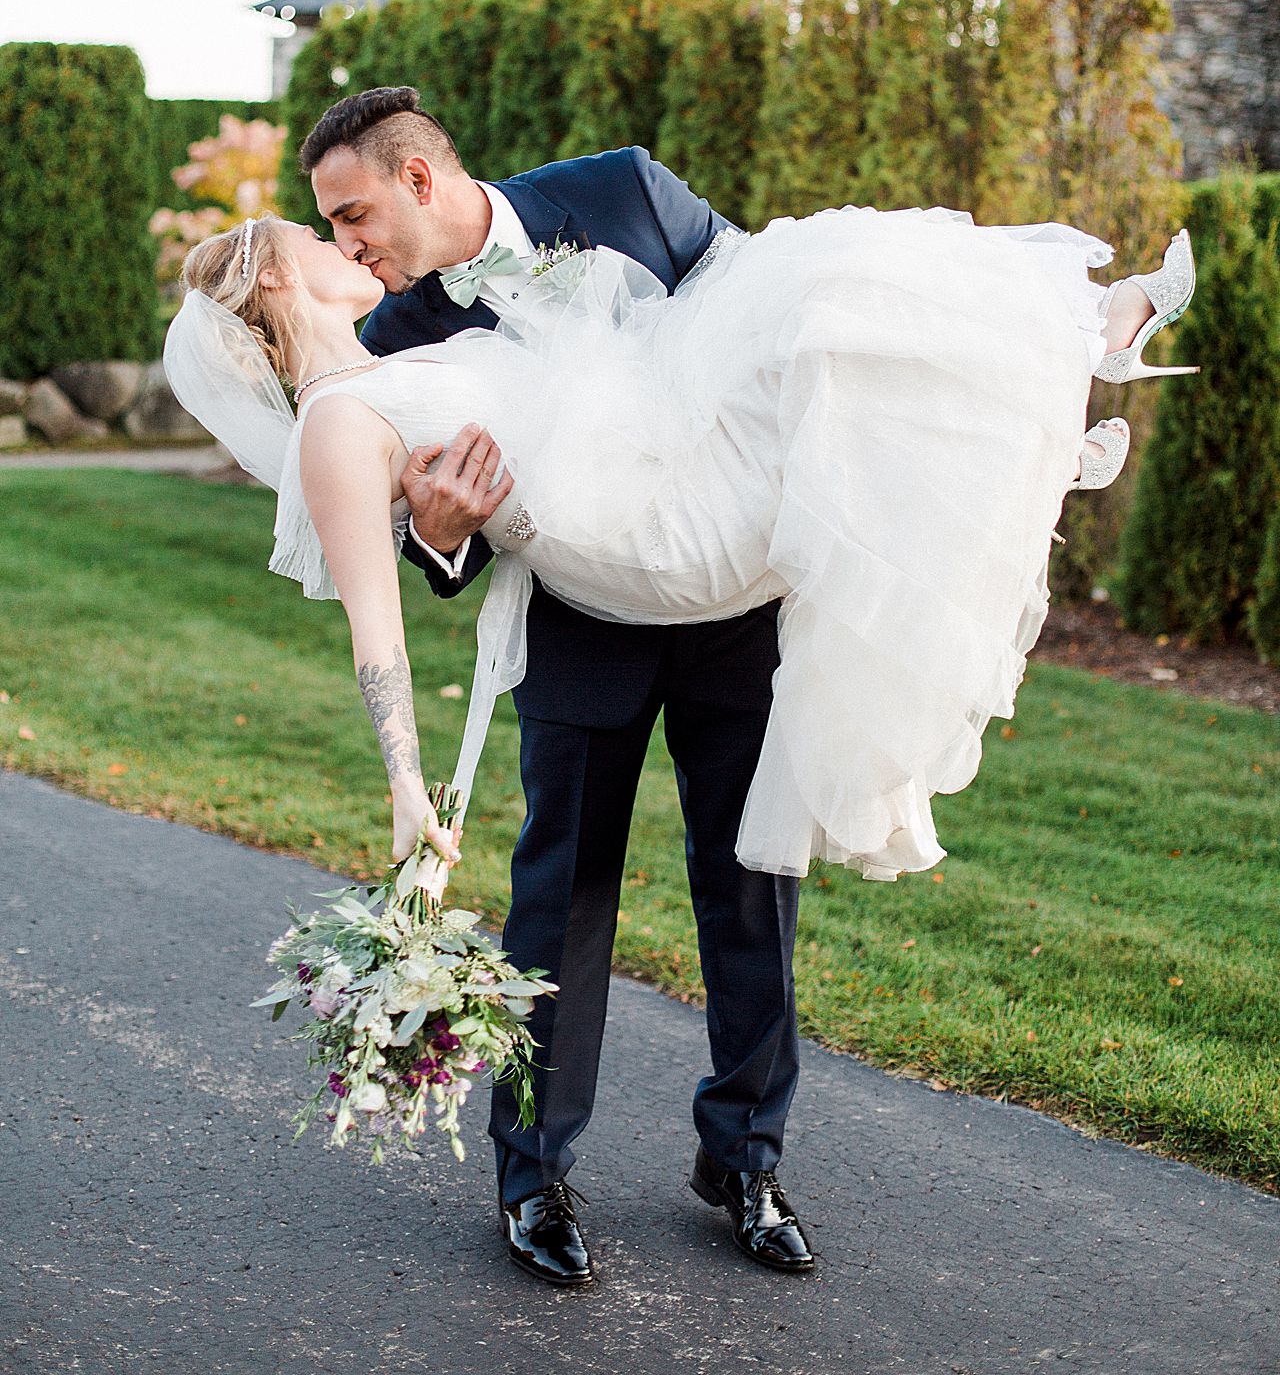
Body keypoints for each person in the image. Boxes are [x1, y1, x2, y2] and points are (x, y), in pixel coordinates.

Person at [163, 86, 1196, 1287]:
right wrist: (440, 535)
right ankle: (532, 1173)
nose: (348, 243)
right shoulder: (392, 330)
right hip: (585, 622)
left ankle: (745, 1161)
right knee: (560, 902)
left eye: (352, 214)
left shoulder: (623, 192)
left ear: (419, 179)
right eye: (327, 230)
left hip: (728, 602)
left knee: (754, 887)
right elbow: (415, 526)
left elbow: (772, 348)